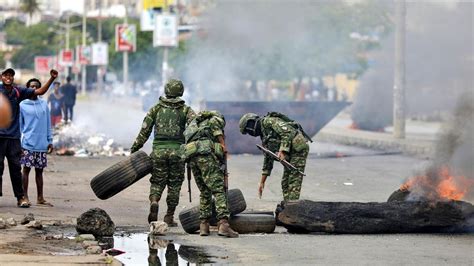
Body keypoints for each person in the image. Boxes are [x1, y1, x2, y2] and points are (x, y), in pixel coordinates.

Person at [130, 79, 195, 226]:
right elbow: (195, 129)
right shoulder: (186, 110)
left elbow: (144, 131)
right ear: (181, 92)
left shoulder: (155, 109)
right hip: (178, 152)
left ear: (166, 91)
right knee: (175, 184)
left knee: (158, 181)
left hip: (158, 152)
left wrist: (135, 148)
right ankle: (169, 216)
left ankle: (154, 201)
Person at [0, 68, 58, 207]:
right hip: (0, 137)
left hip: (14, 138)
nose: (8, 77)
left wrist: (52, 79)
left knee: (15, 169)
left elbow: (40, 92)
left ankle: (21, 198)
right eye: (5, 75)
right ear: (1, 77)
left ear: (13, 78)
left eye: (11, 75)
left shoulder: (18, 92)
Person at [183, 110, 238, 238]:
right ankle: (223, 224)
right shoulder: (214, 119)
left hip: (192, 157)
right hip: (205, 155)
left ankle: (204, 225)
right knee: (218, 190)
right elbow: (218, 133)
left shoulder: (194, 123)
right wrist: (224, 147)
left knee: (204, 191)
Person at [239, 112, 310, 201]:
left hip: (298, 148)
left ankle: (292, 208)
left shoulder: (269, 121)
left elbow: (287, 133)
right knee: (285, 183)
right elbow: (268, 159)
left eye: (248, 130)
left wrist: (282, 151)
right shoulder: (264, 136)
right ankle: (288, 205)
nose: (250, 133)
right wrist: (262, 182)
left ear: (251, 123)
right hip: (290, 153)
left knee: (293, 181)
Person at [20, 78, 53, 206]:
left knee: (39, 172)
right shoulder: (22, 105)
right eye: (31, 86)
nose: (34, 89)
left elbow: (48, 123)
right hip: (27, 143)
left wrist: (50, 140)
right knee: (26, 170)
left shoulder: (44, 104)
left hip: (42, 144)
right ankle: (25, 197)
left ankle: (40, 198)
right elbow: (19, 126)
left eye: (37, 86)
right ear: (27, 88)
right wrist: (19, 144)